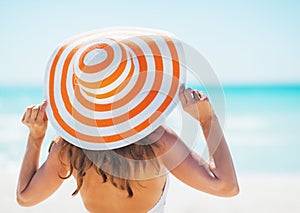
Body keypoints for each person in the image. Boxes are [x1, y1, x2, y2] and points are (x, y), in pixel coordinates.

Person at [16, 85, 239, 213]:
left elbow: (25, 198)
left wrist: (36, 138)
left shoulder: (70, 146)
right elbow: (226, 187)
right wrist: (207, 120)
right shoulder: (156, 141)